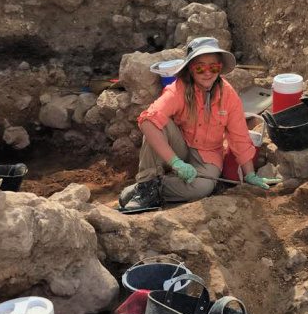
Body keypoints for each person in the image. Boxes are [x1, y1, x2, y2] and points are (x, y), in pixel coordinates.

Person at [119, 37, 281, 212]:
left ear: (220, 68)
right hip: (179, 146)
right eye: (200, 67)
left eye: (213, 67)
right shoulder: (178, 88)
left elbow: (239, 137)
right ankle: (146, 186)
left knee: (203, 188)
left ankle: (152, 188)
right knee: (155, 121)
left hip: (208, 154)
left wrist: (250, 174)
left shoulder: (228, 96)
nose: (207, 73)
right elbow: (146, 121)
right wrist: (176, 163)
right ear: (190, 68)